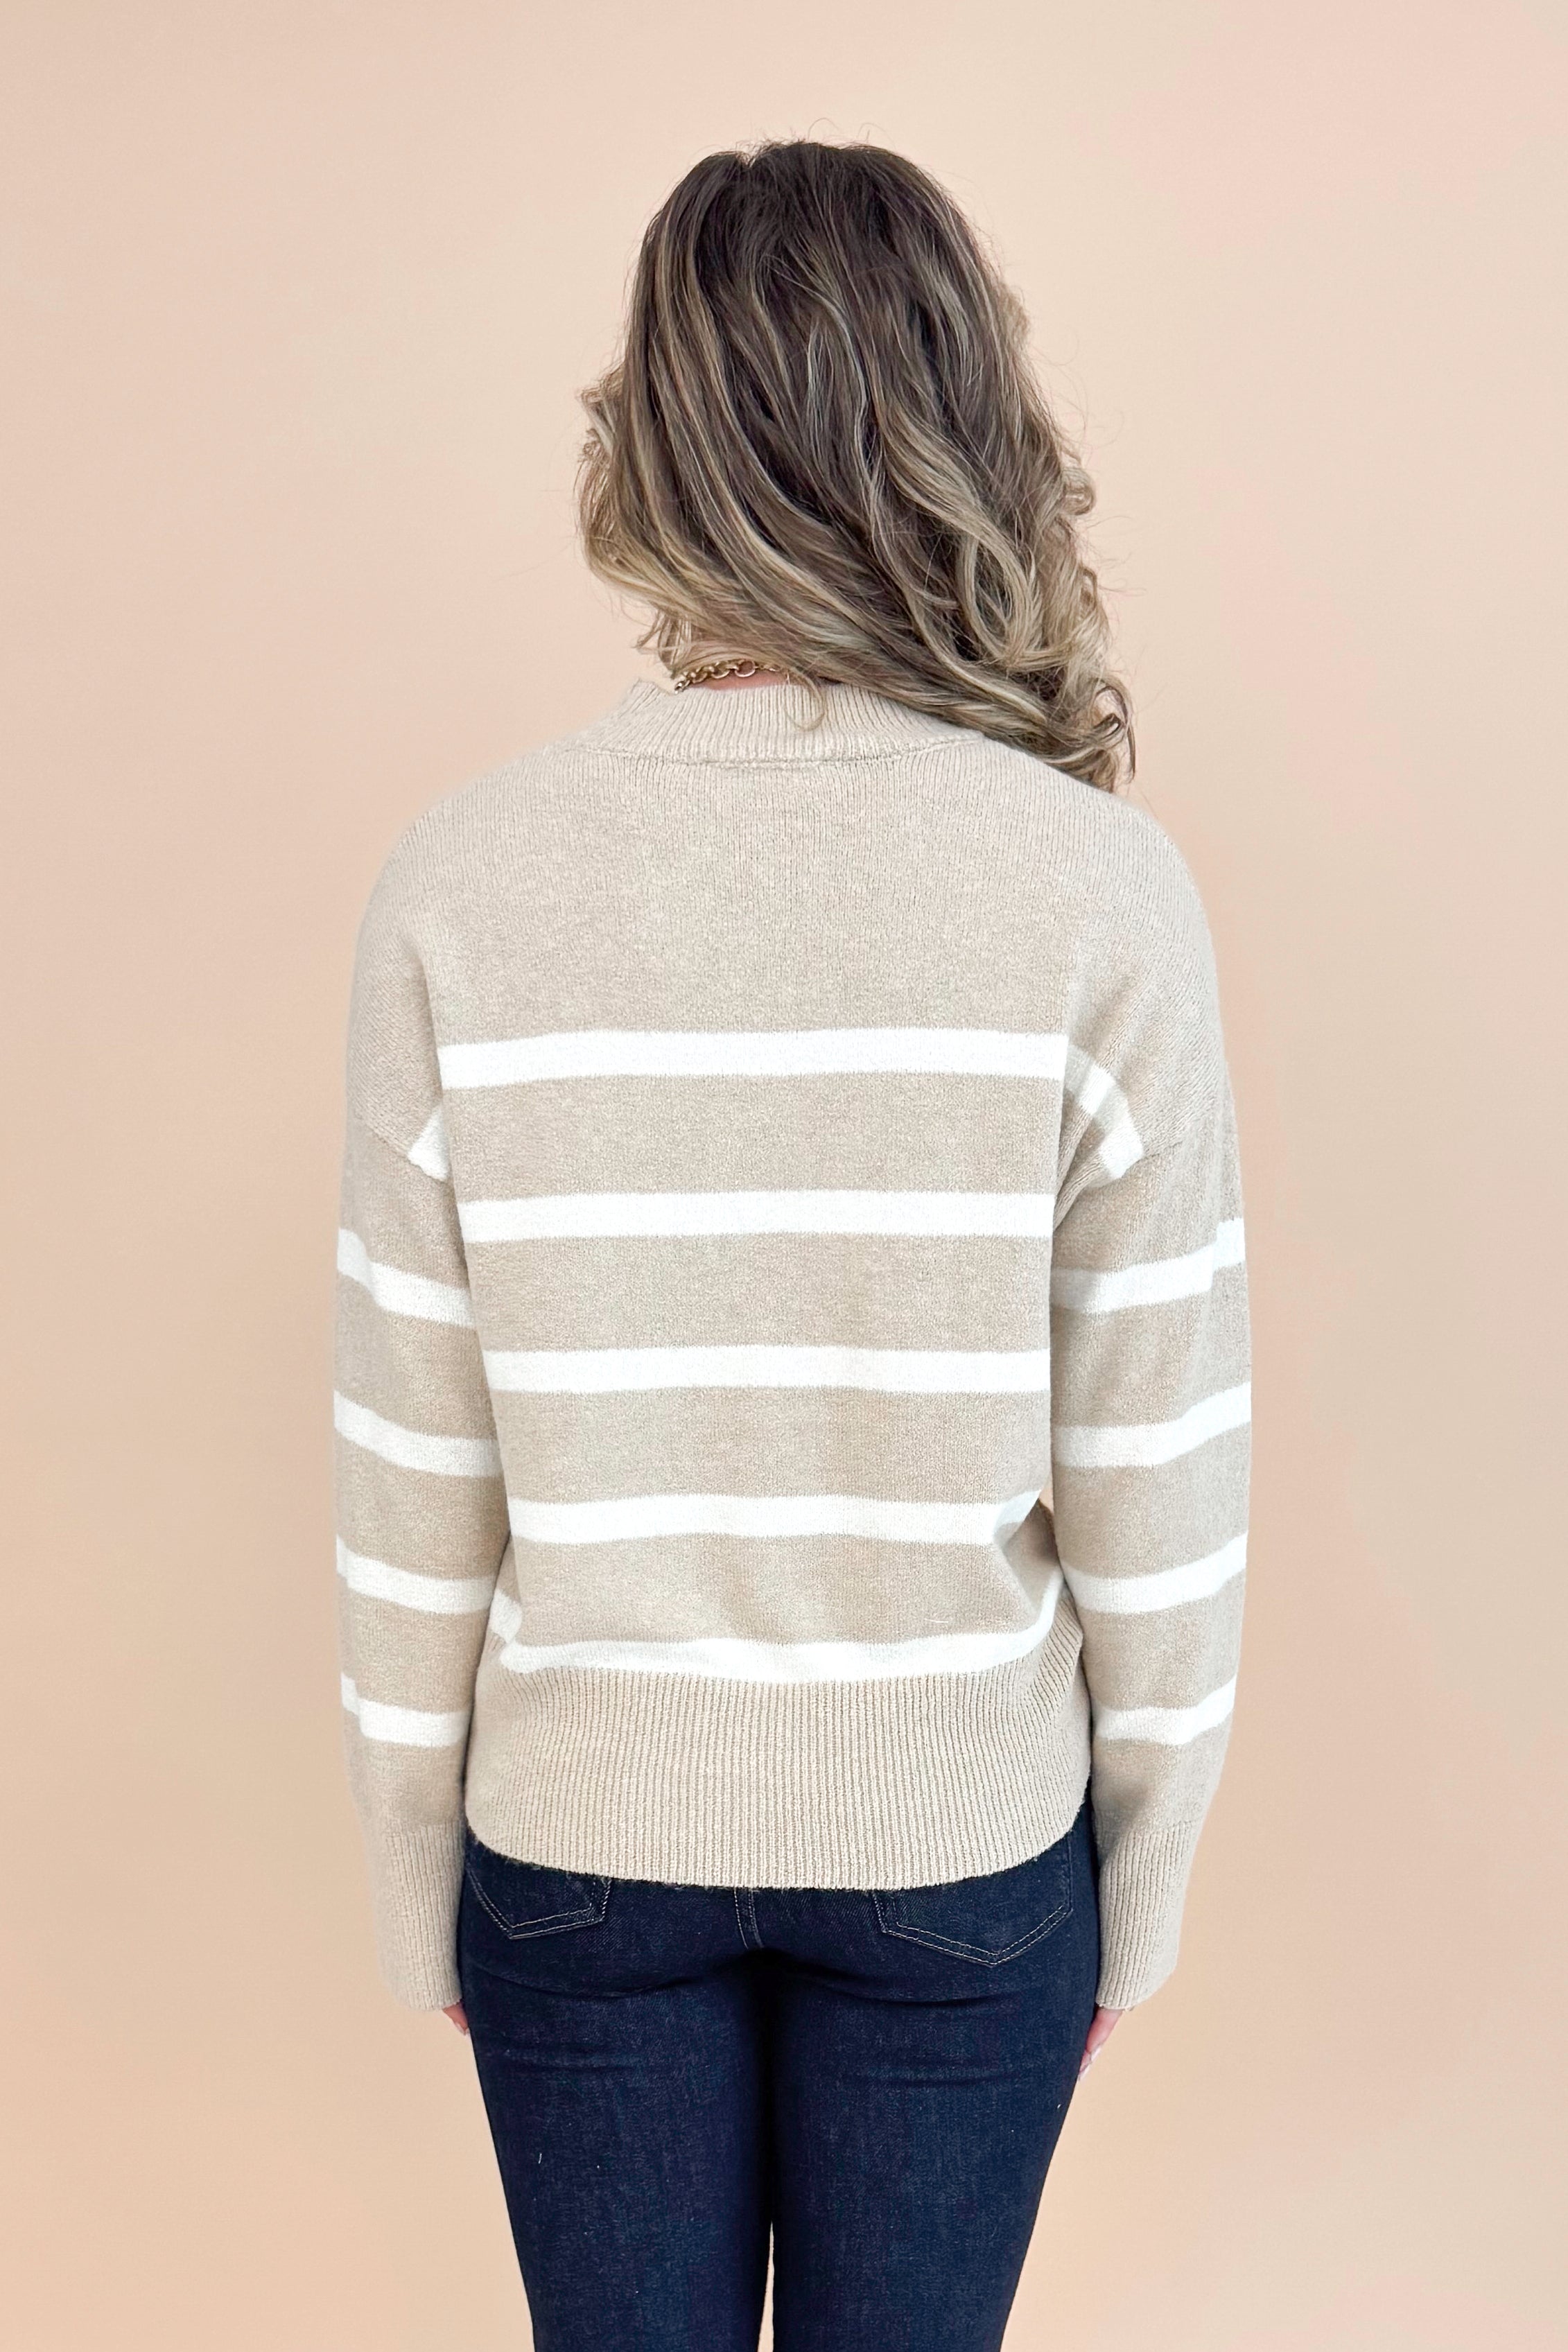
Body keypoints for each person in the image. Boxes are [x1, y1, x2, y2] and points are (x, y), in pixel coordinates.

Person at [332, 138, 1250, 2352]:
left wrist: (417, 1870)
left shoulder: (459, 879)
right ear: (964, 418)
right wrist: (1139, 1891)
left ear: (652, 439)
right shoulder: (1103, 895)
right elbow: (1162, 1476)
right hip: (960, 1851)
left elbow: (411, 1464)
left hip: (580, 1850)